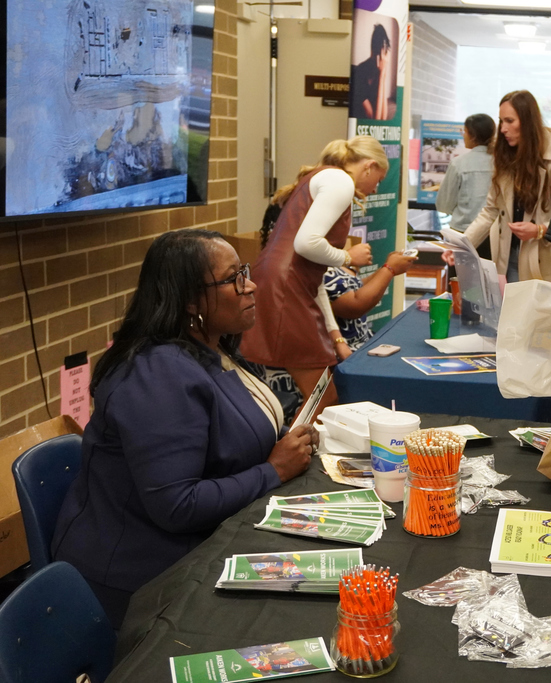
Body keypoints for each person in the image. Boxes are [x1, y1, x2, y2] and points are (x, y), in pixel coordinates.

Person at [51, 229, 317, 628]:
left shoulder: (213, 346)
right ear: (190, 299)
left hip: (203, 545)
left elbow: (223, 442)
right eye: (233, 279)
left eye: (244, 272)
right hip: (139, 583)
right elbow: (177, 505)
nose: (251, 286)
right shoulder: (157, 373)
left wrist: (282, 446)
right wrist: (274, 470)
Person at [239, 137, 387, 405]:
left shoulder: (319, 178)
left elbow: (314, 278)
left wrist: (335, 334)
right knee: (323, 398)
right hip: (285, 289)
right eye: (379, 179)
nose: (376, 189)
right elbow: (307, 243)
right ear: (369, 166)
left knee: (320, 396)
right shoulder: (340, 181)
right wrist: (346, 256)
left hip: (278, 283)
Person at [451, 90, 551, 289]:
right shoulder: (504, 159)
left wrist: (539, 230)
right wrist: (461, 246)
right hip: (510, 260)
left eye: (510, 121)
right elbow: (489, 212)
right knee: (511, 317)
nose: (503, 129)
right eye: (501, 121)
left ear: (527, 122)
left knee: (539, 319)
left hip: (546, 262)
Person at [322, 250, 418, 357]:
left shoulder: (331, 256)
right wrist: (389, 269)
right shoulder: (319, 262)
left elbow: (357, 288)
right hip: (345, 352)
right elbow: (354, 307)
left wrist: (388, 267)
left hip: (365, 343)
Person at [435, 114, 496, 238]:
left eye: (464, 131)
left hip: (462, 232)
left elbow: (443, 205)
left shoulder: (459, 164)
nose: (463, 135)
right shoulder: (502, 164)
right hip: (493, 234)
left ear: (472, 136)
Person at [351, 24, 393, 120]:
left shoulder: (379, 71)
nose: (385, 59)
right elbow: (375, 120)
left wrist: (383, 74)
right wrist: (382, 75)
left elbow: (384, 116)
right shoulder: (358, 73)